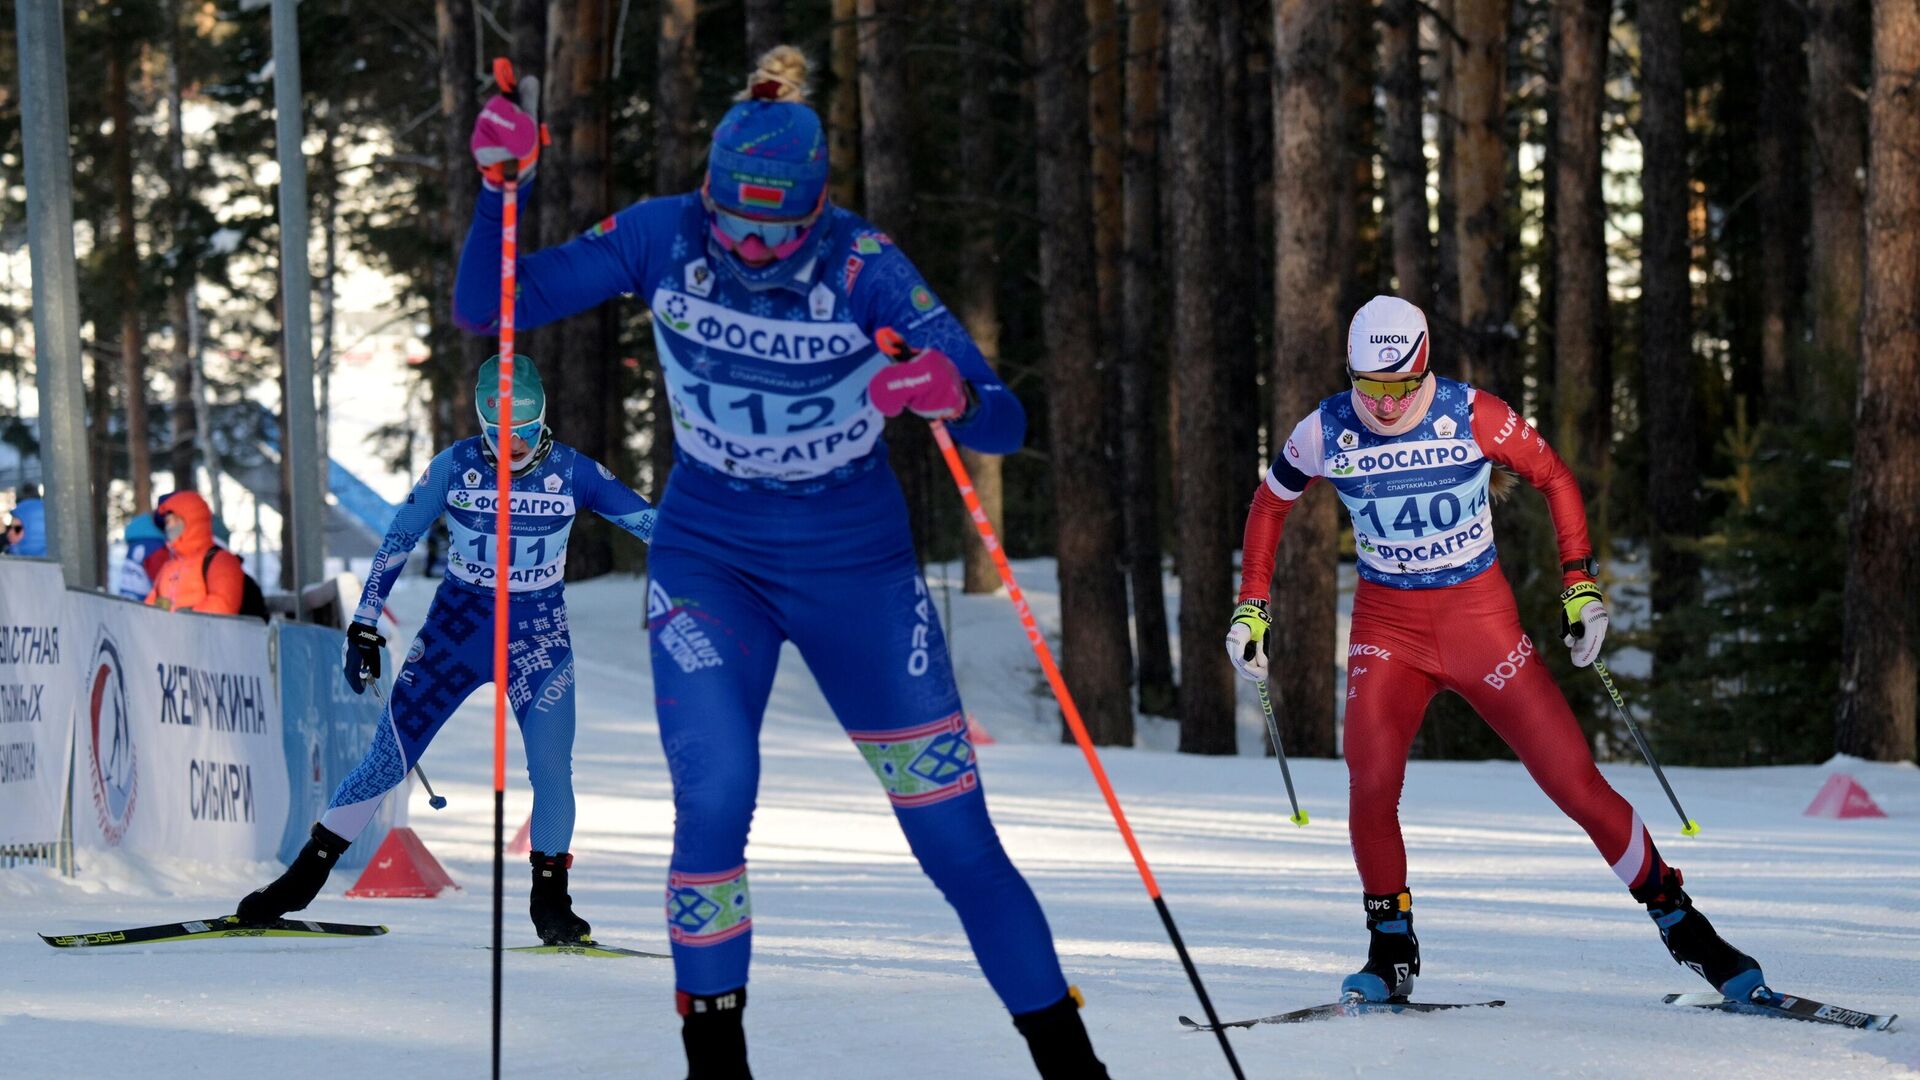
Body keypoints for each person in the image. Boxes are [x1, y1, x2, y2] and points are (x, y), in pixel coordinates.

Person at [454, 46, 1105, 1080]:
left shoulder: (863, 263)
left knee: (955, 841)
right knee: (715, 799)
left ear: (819, 210)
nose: (755, 248)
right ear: (708, 193)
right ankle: (717, 1065)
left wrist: (947, 390)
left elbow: (1006, 419)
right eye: (736, 221)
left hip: (860, 576)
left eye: (780, 228)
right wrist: (501, 192)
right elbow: (494, 308)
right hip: (712, 562)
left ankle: (1072, 1064)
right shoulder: (663, 234)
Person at [1225, 295, 1767, 1006]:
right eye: (1368, 386)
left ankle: (1684, 925)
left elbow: (1555, 478)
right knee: (1371, 780)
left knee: (1574, 783)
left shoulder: (1472, 413)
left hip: (1482, 628)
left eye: (1398, 385)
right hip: (1388, 632)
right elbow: (1270, 503)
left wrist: (1580, 585)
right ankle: (1390, 948)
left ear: (1424, 367)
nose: (1383, 404)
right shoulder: (1326, 429)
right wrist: (1252, 604)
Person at [236, 355, 657, 944]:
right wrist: (363, 625)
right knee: (387, 761)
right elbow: (399, 537)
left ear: (544, 421)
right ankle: (298, 883)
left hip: (535, 638)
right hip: (457, 632)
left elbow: (655, 529)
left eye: (525, 433)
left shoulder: (575, 471)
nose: (512, 447)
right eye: (499, 435)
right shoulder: (455, 466)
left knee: (552, 770)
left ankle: (551, 903)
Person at [146, 491, 247, 615]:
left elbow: (223, 605)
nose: (169, 527)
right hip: (165, 633)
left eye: (174, 520)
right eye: (167, 522)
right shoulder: (169, 566)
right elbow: (150, 605)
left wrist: (180, 621)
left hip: (204, 633)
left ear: (192, 520)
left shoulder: (221, 561)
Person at [117, 512, 170, 601]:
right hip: (145, 607)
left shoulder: (134, 545)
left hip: (126, 602)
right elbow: (162, 580)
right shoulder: (155, 548)